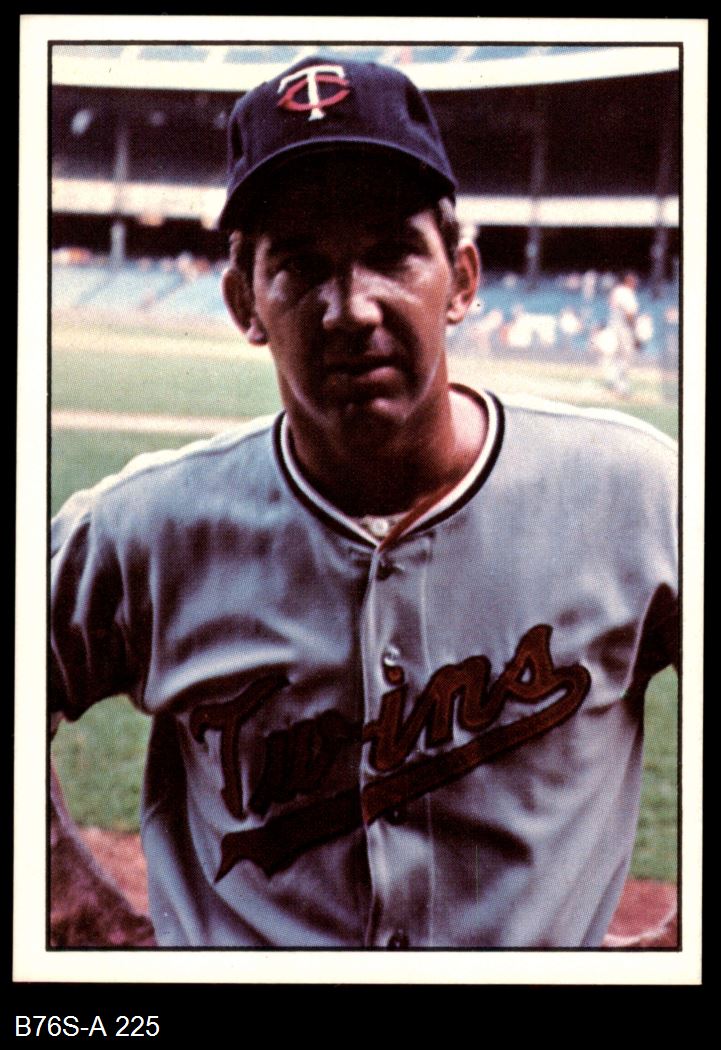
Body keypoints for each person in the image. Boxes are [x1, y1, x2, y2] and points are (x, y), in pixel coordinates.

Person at [50, 55, 678, 949]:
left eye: (391, 255)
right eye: (301, 266)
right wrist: (71, 907)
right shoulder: (148, 529)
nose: (350, 308)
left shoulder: (638, 495)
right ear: (244, 302)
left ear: (461, 279)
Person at [605, 271, 641, 396]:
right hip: (624, 330)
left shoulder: (617, 290)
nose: (636, 283)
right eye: (634, 281)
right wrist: (635, 333)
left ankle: (614, 383)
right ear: (628, 281)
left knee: (615, 359)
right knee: (625, 359)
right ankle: (621, 387)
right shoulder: (627, 293)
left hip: (613, 327)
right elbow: (629, 314)